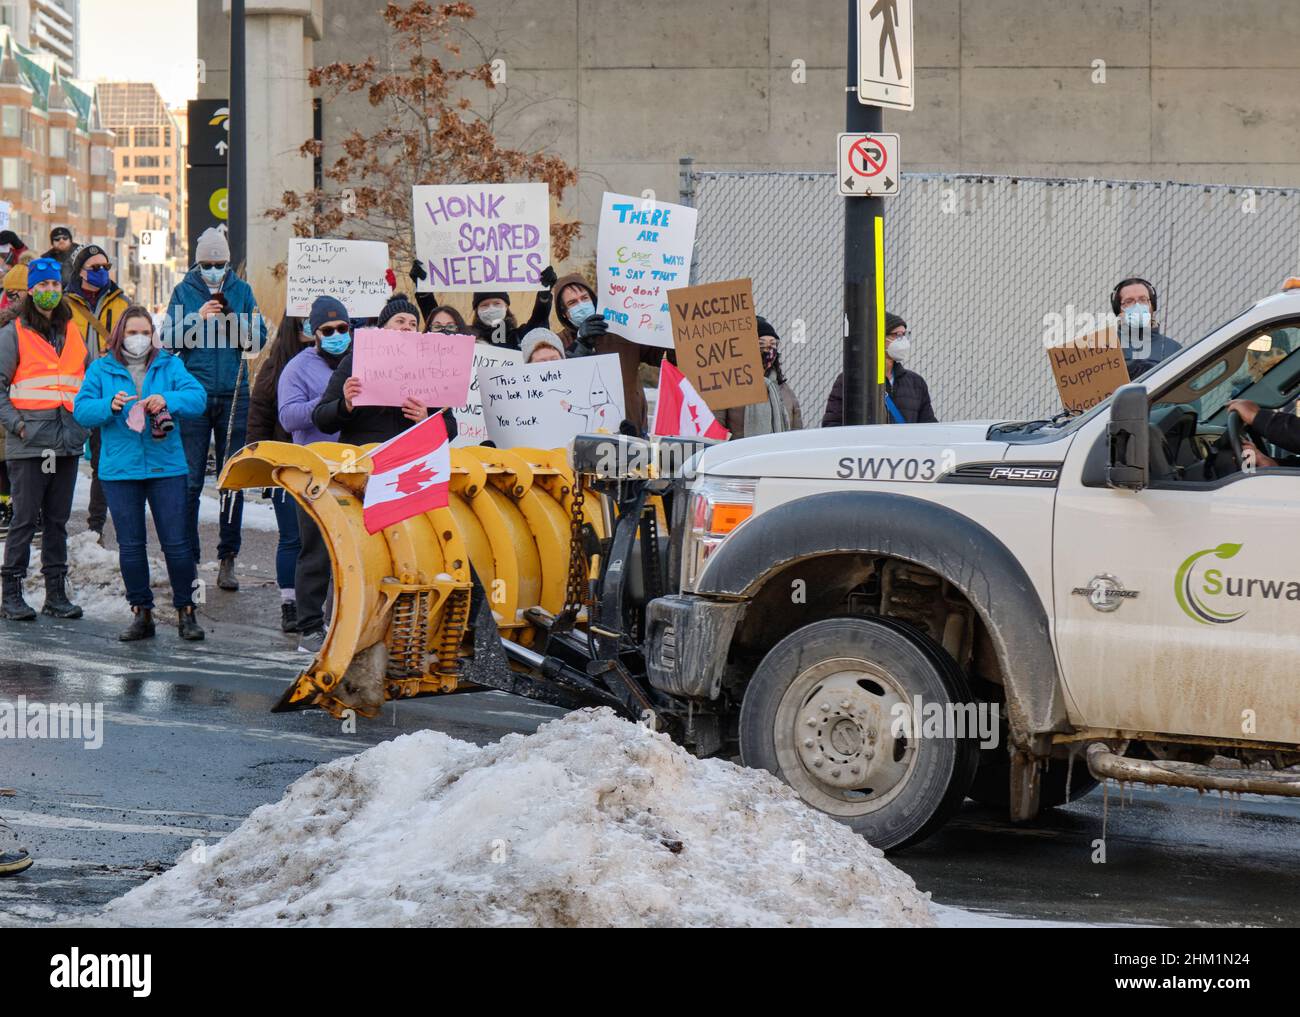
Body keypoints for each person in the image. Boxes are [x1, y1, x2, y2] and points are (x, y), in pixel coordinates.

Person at [73, 306, 207, 641]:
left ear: (153, 334)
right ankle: (141, 612)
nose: (139, 339)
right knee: (131, 546)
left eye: (145, 332)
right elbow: (81, 410)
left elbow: (198, 398)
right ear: (120, 334)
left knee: (177, 544)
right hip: (120, 470)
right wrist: (109, 405)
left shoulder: (169, 363)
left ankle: (186, 611)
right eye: (133, 332)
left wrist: (168, 398)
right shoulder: (102, 368)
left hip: (167, 466)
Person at [160, 226, 267, 592]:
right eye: (207, 264)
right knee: (190, 481)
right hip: (194, 396)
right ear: (197, 262)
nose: (213, 270)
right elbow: (168, 341)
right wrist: (197, 319)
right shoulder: (183, 291)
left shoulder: (242, 291)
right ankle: (189, 557)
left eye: (219, 264)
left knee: (231, 480)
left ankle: (227, 559)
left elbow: (257, 343)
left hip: (234, 395)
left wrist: (233, 318)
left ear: (228, 263)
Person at [0, 257, 92, 621]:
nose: (49, 292)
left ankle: (55, 594)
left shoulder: (72, 331)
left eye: (55, 286)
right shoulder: (13, 333)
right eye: (43, 286)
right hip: (29, 442)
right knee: (23, 520)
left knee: (57, 521)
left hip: (66, 440)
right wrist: (17, 425)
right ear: (31, 291)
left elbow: (85, 382)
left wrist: (82, 424)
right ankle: (11, 593)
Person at [277, 296, 347, 654]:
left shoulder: (361, 362)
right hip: (314, 471)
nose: (336, 335)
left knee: (355, 552)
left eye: (342, 329)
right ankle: (309, 626)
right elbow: (288, 418)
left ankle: (349, 620)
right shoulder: (297, 368)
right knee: (316, 551)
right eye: (328, 330)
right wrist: (327, 407)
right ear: (314, 333)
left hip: (355, 470)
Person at [246, 314, 312, 634]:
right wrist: (259, 465)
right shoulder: (274, 368)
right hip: (285, 467)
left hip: (324, 468)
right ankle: (290, 603)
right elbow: (258, 416)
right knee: (293, 537)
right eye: (308, 324)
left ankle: (316, 603)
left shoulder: (337, 365)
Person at [65, 244, 130, 540]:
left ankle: (95, 528)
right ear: (80, 271)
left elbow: (136, 342)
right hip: (70, 392)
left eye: (106, 266)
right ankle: (54, 524)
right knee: (62, 459)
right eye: (95, 267)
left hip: (106, 393)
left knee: (101, 462)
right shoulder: (64, 304)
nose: (102, 271)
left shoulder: (122, 304)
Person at [549, 271, 652, 430]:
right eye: (573, 303)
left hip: (632, 431)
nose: (581, 305)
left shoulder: (622, 331)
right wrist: (581, 342)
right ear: (565, 314)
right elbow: (557, 382)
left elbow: (665, 355)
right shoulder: (557, 343)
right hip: (580, 436)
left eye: (584, 298)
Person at [822, 312, 935, 426]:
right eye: (897, 335)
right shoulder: (850, 380)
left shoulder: (916, 383)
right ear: (879, 338)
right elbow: (832, 425)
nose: (903, 340)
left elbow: (928, 427)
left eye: (904, 334)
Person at [719, 316, 802, 438]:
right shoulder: (729, 386)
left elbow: (796, 433)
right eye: (761, 344)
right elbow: (716, 429)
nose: (768, 349)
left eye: (773, 344)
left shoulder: (784, 391)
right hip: (741, 455)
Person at [1111, 277, 1180, 379]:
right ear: (1118, 310)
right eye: (1129, 301)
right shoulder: (1106, 348)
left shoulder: (1173, 349)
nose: (1137, 306)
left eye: (1143, 300)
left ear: (1152, 305)